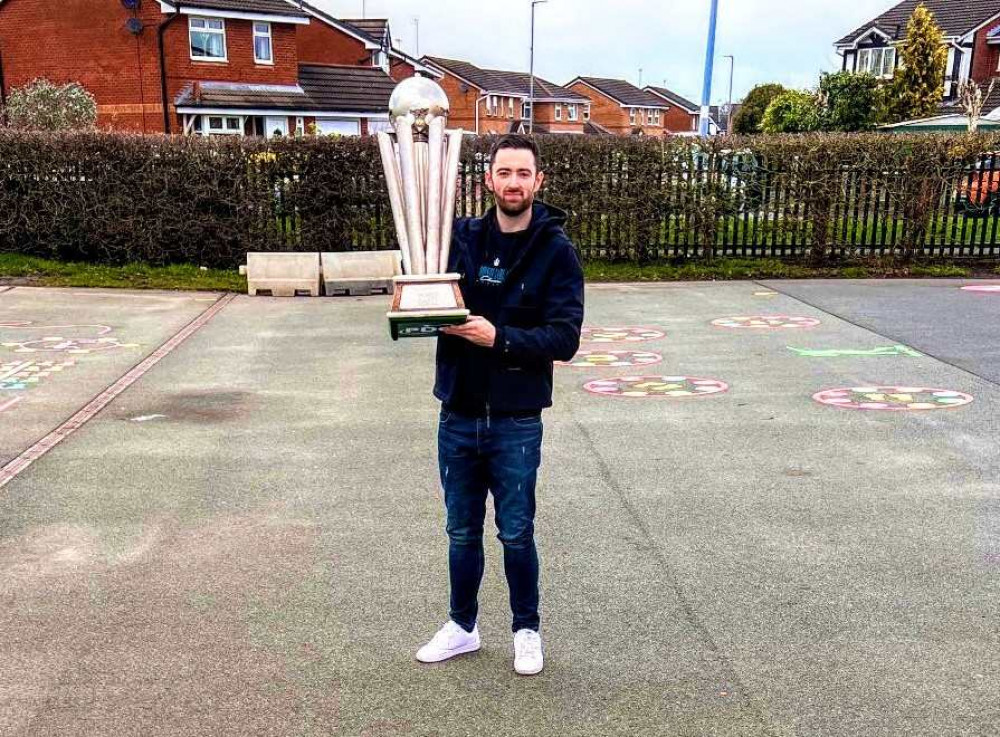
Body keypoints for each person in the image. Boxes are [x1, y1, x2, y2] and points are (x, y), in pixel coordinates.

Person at [415, 134, 585, 676]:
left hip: (516, 419)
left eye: (522, 173)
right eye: (503, 172)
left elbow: (565, 338)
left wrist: (501, 337)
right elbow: (422, 287)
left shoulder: (556, 251)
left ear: (539, 182)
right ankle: (462, 626)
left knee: (516, 530)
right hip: (459, 412)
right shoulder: (458, 239)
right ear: (488, 180)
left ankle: (525, 630)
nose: (513, 183)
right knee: (460, 530)